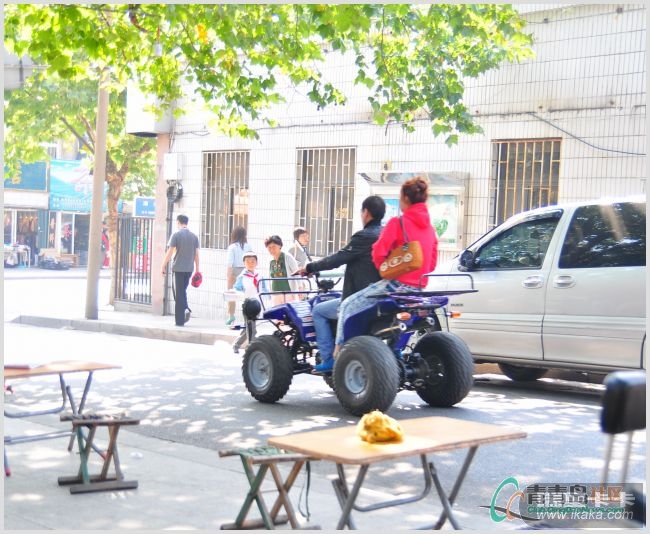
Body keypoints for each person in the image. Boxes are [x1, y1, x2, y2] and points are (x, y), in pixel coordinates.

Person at [333, 177, 439, 360]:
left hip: (395, 286)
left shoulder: (398, 223)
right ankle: (394, 352)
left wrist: (387, 269)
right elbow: (432, 262)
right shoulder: (430, 228)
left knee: (347, 306)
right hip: (419, 289)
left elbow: (378, 252)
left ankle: (339, 355)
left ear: (406, 198)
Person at [297, 195, 386, 373]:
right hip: (383, 294)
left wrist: (309, 267)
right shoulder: (386, 235)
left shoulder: (364, 236)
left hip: (361, 297)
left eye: (361, 212)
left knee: (318, 311)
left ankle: (329, 358)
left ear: (366, 212)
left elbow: (337, 259)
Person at [161, 214, 200, 327]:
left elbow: (170, 252)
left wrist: (163, 265)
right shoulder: (194, 237)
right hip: (189, 269)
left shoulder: (176, 235)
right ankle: (186, 309)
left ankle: (179, 321)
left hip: (178, 268)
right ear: (186, 222)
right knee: (182, 291)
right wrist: (197, 269)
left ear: (178, 222)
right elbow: (196, 255)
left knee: (178, 294)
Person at [231, 251, 261, 354]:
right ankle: (251, 349)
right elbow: (237, 288)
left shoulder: (259, 275)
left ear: (256, 263)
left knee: (249, 327)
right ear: (244, 263)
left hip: (257, 304)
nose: (250, 263)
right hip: (247, 305)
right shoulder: (242, 276)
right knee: (251, 328)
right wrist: (238, 293)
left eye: (253, 261)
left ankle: (236, 344)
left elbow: (263, 288)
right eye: (248, 261)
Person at [225, 226, 252, 325]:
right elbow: (251, 260)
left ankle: (231, 316)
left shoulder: (232, 247)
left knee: (231, 294)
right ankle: (247, 317)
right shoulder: (248, 246)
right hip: (246, 271)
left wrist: (228, 275)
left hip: (234, 271)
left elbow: (230, 263)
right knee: (247, 295)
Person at [264, 234, 300, 305]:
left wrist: (300, 287)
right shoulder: (270, 261)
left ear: (280, 246)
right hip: (275, 293)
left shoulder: (287, 257)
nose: (272, 249)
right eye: (269, 247)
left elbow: (297, 272)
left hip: (288, 293)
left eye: (274, 246)